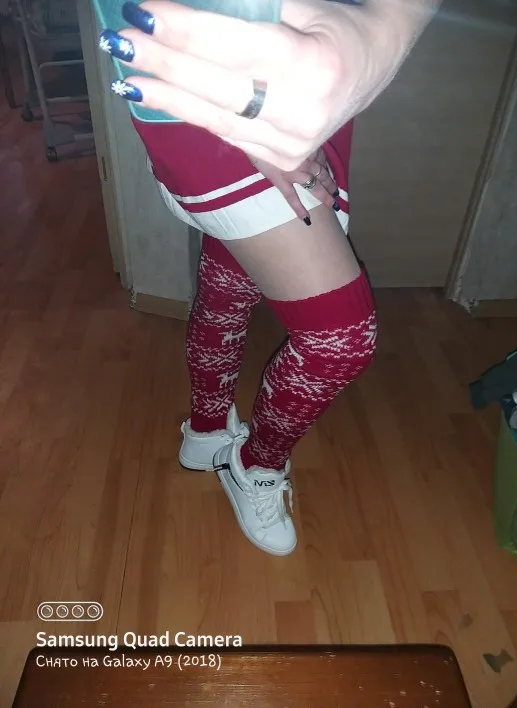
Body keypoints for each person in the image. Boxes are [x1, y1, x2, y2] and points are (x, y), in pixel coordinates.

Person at [98, 0, 440, 556]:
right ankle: (254, 464)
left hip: (291, 65)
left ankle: (207, 430)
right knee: (340, 340)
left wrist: (381, 30)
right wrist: (248, 126)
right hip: (218, 92)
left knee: (231, 282)